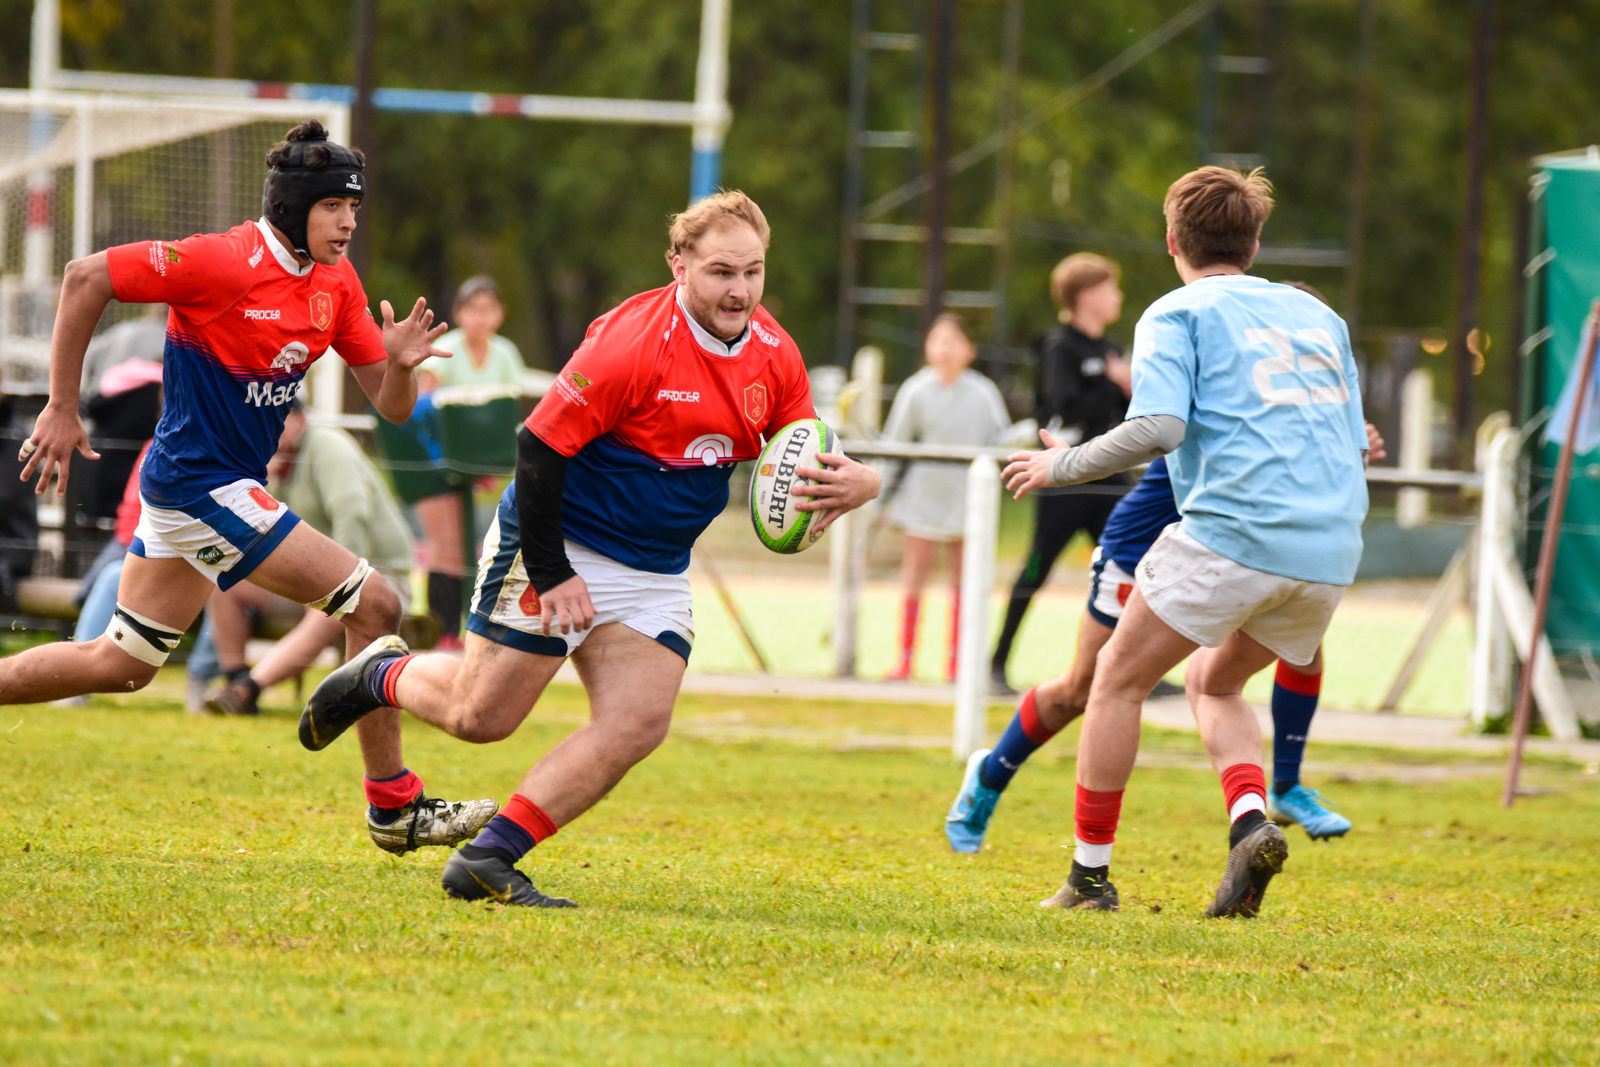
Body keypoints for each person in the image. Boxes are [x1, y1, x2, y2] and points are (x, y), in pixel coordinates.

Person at [301, 191, 883, 907]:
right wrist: (554, 573)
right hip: (559, 538)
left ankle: (488, 858)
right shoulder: (631, 343)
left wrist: (861, 481)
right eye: (721, 272)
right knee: (481, 718)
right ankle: (381, 672)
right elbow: (537, 448)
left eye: (752, 272)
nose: (739, 291)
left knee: (638, 720)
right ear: (679, 266)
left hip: (655, 566)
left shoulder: (774, 353)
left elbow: (800, 458)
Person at [5, 119, 494, 856]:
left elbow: (391, 407)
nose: (349, 222)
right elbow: (85, 277)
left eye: (354, 207)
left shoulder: (336, 284)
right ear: (293, 206)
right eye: (334, 206)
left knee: (121, 665)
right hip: (201, 488)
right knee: (378, 603)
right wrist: (62, 406)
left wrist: (399, 366)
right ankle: (394, 807)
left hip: (208, 492)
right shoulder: (220, 261)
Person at [999, 167, 1368, 917]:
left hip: (1235, 533)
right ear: (1255, 244)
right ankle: (1251, 823)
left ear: (1172, 241)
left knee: (1115, 681)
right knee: (1215, 683)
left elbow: (1159, 427)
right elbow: (1355, 441)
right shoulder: (1319, 317)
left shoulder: (1177, 311)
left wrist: (1059, 465)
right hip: (1331, 550)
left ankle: (1089, 879)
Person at [945, 420, 1387, 852]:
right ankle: (990, 776)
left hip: (1230, 553)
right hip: (1139, 553)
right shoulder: (1216, 388)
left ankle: (1286, 786)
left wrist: (1346, 443)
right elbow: (1152, 431)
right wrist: (1071, 462)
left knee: (1300, 647)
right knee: (1084, 688)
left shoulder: (1287, 394)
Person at [203, 399, 416, 717]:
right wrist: (263, 481)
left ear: (301, 418)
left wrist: (337, 579)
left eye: (279, 418)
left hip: (377, 576)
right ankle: (235, 681)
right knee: (226, 585)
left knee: (334, 603)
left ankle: (247, 690)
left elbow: (351, 511)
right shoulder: (272, 458)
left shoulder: (328, 445)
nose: (271, 428)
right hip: (314, 575)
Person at [990, 254, 1132, 696]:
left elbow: (1124, 416)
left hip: (1107, 478)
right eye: (1111, 288)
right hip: (1064, 481)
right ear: (1086, 295)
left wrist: (1128, 390)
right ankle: (996, 665)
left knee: (1130, 566)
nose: (1118, 297)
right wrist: (1112, 384)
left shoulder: (1110, 349)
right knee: (1036, 568)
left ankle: (1135, 668)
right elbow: (1063, 407)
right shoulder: (1058, 347)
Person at [880, 314, 1013, 682]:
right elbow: (895, 445)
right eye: (938, 340)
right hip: (921, 497)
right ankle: (905, 659)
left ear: (969, 350)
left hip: (967, 498)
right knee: (914, 577)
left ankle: (956, 663)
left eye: (953, 341)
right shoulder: (915, 390)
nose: (945, 349)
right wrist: (879, 498)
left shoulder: (984, 393)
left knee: (962, 582)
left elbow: (1001, 439)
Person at [412, 276, 527, 648]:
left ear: (500, 314)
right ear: (459, 313)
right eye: (473, 309)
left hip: (483, 466)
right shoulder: (445, 351)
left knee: (475, 548)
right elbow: (425, 409)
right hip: (437, 461)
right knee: (446, 547)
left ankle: (469, 630)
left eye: (488, 309)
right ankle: (442, 631)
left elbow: (505, 411)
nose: (481, 317)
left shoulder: (506, 353)